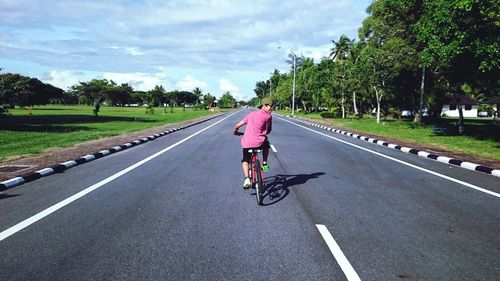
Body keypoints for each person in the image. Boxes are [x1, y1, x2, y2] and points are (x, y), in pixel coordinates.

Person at [233, 97, 273, 189]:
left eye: (272, 106)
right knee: (266, 144)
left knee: (245, 159)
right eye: (270, 106)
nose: (271, 108)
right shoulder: (268, 116)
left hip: (247, 142)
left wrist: (235, 131)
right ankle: (264, 163)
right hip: (259, 142)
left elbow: (237, 125)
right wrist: (265, 133)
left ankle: (247, 179)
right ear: (263, 106)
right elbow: (269, 129)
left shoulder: (251, 114)